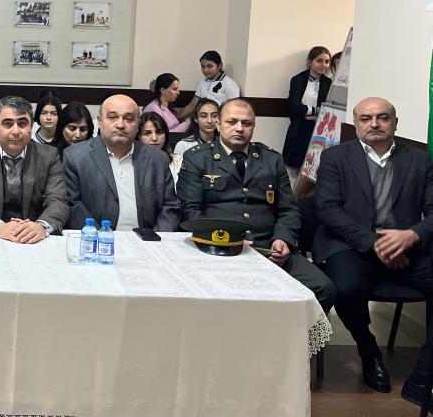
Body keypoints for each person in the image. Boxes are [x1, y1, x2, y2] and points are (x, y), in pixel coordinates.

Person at [314, 97, 433, 404]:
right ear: (356, 124)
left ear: (395, 123)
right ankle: (368, 350)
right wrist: (376, 243)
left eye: (383, 117)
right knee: (344, 288)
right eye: (366, 118)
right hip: (351, 244)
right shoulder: (334, 157)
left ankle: (423, 378)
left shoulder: (420, 160)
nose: (375, 124)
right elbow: (327, 208)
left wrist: (412, 235)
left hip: (406, 247)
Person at [177, 98, 336, 313]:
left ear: (253, 126)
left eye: (246, 123)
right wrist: (229, 241)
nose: (239, 128)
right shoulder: (198, 158)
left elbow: (288, 209)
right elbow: (191, 211)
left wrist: (283, 239)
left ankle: (291, 335)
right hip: (219, 246)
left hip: (268, 247)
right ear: (218, 124)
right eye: (232, 122)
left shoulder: (271, 159)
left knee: (323, 288)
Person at [64, 94, 180, 232]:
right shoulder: (75, 156)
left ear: (138, 124)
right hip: (95, 238)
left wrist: (155, 238)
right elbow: (73, 205)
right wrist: (101, 236)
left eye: (128, 119)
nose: (120, 125)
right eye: (112, 117)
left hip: (148, 239)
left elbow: (170, 206)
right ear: (100, 121)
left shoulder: (158, 159)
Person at [0, 96, 67, 241]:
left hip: (34, 239)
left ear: (31, 126)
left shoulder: (49, 157)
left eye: (22, 123)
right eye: (8, 124)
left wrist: (42, 226)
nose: (16, 131)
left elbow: (58, 200)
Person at [282, 46, 332, 175]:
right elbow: (294, 108)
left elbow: (328, 110)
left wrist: (307, 112)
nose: (324, 65)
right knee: (295, 168)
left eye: (327, 61)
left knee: (316, 169)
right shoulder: (298, 80)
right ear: (310, 62)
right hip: (299, 128)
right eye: (319, 61)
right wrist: (315, 111)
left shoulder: (329, 83)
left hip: (319, 130)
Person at [181, 50, 241, 117]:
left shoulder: (229, 83)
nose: (205, 70)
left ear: (219, 66)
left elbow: (235, 109)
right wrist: (177, 117)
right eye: (203, 66)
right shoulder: (203, 82)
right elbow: (192, 105)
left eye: (209, 66)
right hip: (202, 119)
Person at [137, 110, 182, 184]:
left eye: (159, 132)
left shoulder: (179, 161)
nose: (154, 138)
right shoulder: (131, 163)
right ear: (138, 137)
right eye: (147, 133)